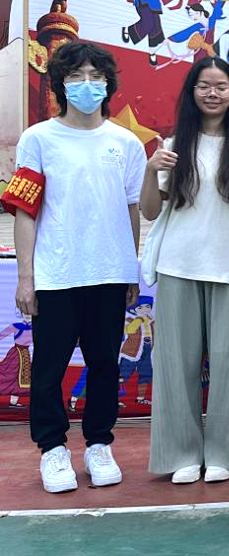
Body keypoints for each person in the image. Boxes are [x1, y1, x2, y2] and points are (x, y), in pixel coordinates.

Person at [4, 42, 146, 493]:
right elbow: (25, 212)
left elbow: (131, 210)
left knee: (104, 364)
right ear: (60, 85)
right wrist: (26, 277)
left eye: (95, 76)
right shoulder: (38, 139)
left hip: (109, 274)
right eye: (76, 76)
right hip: (56, 275)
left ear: (108, 84)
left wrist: (130, 270)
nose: (87, 85)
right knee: (49, 368)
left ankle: (99, 444)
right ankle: (53, 449)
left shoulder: (126, 143)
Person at [140, 58, 229, 484]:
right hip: (178, 266)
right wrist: (151, 169)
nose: (213, 93)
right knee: (175, 364)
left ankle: (228, 453)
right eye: (204, 86)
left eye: (221, 86)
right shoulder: (175, 145)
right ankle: (181, 454)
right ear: (191, 93)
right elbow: (151, 211)